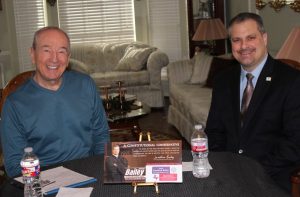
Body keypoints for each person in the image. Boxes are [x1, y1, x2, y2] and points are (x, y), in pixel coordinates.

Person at [205, 12, 300, 193]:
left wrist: (251, 171)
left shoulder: (292, 81)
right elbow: (214, 131)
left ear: (264, 38)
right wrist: (224, 166)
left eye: (250, 38)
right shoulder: (223, 80)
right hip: (226, 175)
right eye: (236, 40)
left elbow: (295, 142)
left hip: (272, 177)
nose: (243, 46)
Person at [0, 26, 110, 177]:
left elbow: (101, 134)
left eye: (61, 51)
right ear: (32, 54)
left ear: (68, 57)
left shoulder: (85, 84)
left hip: (88, 170)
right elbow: (13, 165)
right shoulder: (15, 104)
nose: (54, 59)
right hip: (44, 178)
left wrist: (99, 169)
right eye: (46, 50)